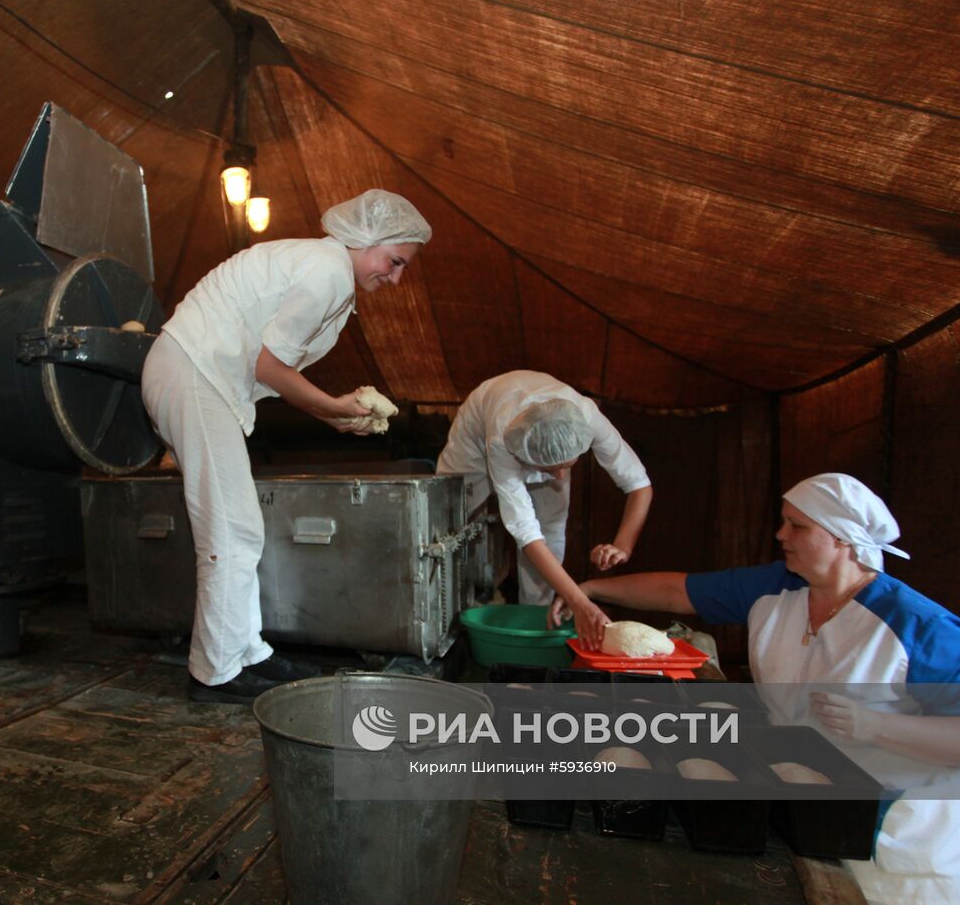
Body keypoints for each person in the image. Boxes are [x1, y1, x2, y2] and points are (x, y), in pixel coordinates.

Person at [551, 473, 960, 903]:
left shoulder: (918, 627)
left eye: (797, 526)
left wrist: (875, 726)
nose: (780, 534)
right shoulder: (779, 590)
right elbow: (678, 592)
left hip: (904, 846)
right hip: (810, 818)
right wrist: (586, 591)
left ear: (842, 537)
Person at [142, 189, 431, 704]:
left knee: (240, 525)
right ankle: (216, 672)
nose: (396, 278)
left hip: (196, 375)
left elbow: (271, 369)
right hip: (193, 372)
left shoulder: (328, 272)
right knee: (230, 527)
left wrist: (333, 415)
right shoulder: (327, 271)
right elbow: (269, 367)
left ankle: (247, 652)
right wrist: (334, 408)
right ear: (367, 238)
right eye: (395, 261)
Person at [436, 371, 652, 649]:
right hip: (478, 433)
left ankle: (534, 621)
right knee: (448, 514)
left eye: (568, 466)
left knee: (550, 531)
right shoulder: (501, 439)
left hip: (547, 434)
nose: (560, 476)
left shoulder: (586, 417)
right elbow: (524, 531)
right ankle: (444, 616)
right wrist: (580, 602)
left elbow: (639, 484)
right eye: (550, 468)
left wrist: (623, 546)